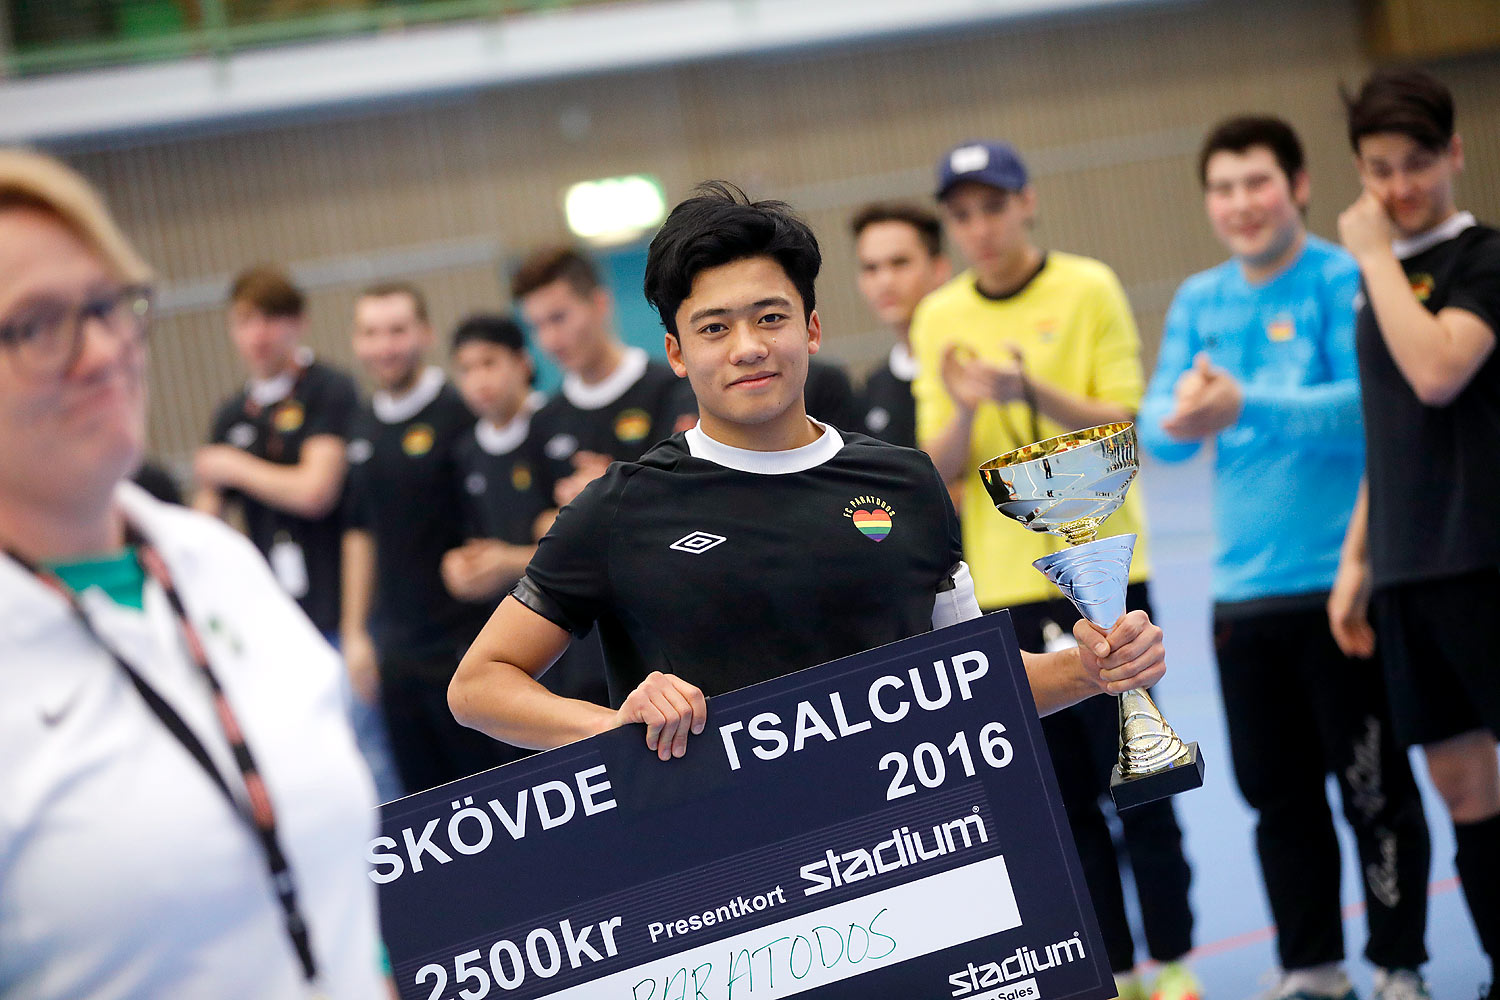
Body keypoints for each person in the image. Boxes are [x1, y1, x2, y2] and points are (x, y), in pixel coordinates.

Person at [448, 181, 1167, 768]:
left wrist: (1088, 668)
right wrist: (614, 727)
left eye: (770, 317)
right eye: (714, 328)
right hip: (743, 888)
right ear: (675, 352)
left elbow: (967, 677)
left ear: (812, 330)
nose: (749, 347)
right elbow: (479, 686)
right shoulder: (621, 509)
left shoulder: (906, 483)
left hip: (918, 848)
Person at [0, 150, 385, 997]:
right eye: (34, 326)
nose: (101, 353)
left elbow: (336, 906)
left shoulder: (215, 563)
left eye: (109, 306)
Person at [1140, 115, 1432, 1000]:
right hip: (1242, 597)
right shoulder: (1199, 299)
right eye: (1223, 189)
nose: (1241, 204)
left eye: (1257, 182)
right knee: (1277, 798)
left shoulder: (1346, 282)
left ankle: (1398, 964)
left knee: (1374, 791)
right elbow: (1159, 425)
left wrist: (1245, 404)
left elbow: (1369, 412)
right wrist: (1185, 417)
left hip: (1343, 586)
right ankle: (1312, 968)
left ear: (1299, 185)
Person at [909, 140, 1198, 999]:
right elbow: (937, 464)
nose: (979, 229)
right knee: (1060, 798)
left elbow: (1126, 422)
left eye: (992, 208)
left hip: (1105, 571)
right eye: (961, 216)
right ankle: (1110, 966)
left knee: (1142, 773)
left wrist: (1027, 383)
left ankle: (1176, 960)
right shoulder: (938, 317)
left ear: (1026, 202)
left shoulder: (1090, 286)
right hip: (1001, 581)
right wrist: (967, 404)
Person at [1330, 68, 1500, 998]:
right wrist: (1359, 556)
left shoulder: (1482, 260)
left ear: (1456, 154)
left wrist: (1373, 259)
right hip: (1409, 567)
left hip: (1486, 556)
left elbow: (1438, 371)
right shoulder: (1381, 281)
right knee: (1465, 790)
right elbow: (1390, 421)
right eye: (1380, 168)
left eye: (1418, 164)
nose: (1399, 187)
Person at [193, 264, 402, 804]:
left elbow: (316, 490)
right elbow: (205, 522)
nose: (259, 335)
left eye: (271, 320)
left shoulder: (328, 390)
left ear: (297, 324)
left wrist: (231, 466)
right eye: (245, 321)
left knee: (369, 754)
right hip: (279, 622)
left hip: (345, 612)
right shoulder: (230, 415)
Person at [340, 281, 507, 795]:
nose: (385, 345)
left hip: (468, 648)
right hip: (398, 655)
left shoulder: (460, 414)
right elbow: (360, 532)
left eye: (397, 330)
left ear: (425, 334)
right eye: (372, 332)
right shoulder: (362, 425)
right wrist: (355, 635)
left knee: (492, 800)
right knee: (424, 810)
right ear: (356, 342)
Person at [443, 312, 609, 718]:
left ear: (522, 363)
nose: (479, 380)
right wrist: (466, 565)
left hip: (582, 629)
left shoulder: (557, 423)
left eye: (489, 363)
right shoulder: (466, 453)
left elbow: (582, 529)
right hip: (516, 628)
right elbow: (481, 539)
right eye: (466, 369)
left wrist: (511, 560)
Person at [511, 246, 697, 510]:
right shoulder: (543, 421)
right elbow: (537, 523)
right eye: (536, 326)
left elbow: (689, 498)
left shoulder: (674, 390)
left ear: (600, 304)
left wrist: (607, 490)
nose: (549, 340)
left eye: (558, 318)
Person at [849, 200, 951, 447]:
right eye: (871, 268)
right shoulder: (873, 387)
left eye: (900, 263)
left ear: (939, 268)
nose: (885, 281)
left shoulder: (978, 362)